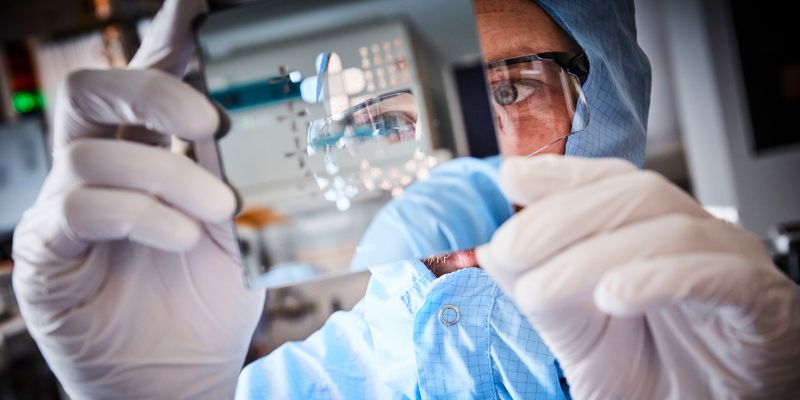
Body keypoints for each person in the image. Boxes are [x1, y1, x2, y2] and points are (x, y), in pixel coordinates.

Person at [11, 0, 800, 399]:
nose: (452, 163)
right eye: (387, 116)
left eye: (511, 86)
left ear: (608, 101)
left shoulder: (747, 342)